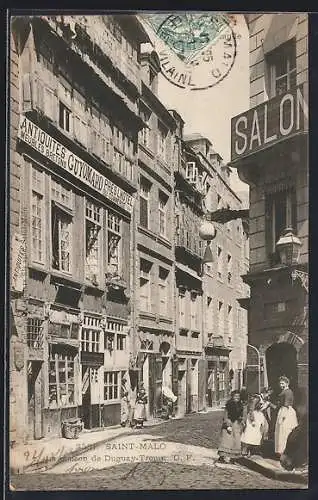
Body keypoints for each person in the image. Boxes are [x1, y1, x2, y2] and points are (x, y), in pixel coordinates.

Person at [273, 376, 298, 457]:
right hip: (283, 410)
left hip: (286, 411)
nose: (281, 385)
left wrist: (283, 417)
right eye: (280, 383)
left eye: (282, 383)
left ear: (287, 383)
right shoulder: (285, 391)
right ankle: (282, 451)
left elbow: (286, 404)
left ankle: (284, 451)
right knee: (281, 431)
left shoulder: (287, 392)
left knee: (284, 430)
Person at [218, 390, 244, 463]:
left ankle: (234, 457)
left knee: (236, 441)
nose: (237, 398)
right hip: (229, 423)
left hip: (236, 424)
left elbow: (241, 415)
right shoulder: (229, 404)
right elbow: (225, 416)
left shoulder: (240, 405)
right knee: (226, 441)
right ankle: (222, 457)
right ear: (232, 397)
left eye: (238, 396)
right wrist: (227, 425)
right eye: (235, 396)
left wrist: (241, 420)